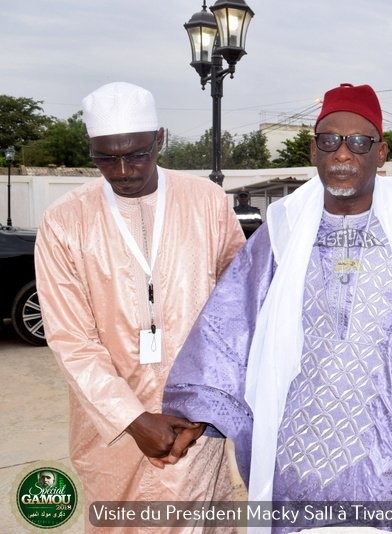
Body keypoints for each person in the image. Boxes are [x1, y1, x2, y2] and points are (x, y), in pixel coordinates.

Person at [163, 83, 392, 532]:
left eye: (359, 142)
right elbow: (230, 323)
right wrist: (196, 407)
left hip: (385, 450)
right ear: (313, 150)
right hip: (296, 453)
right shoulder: (282, 229)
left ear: (381, 152)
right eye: (330, 140)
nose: (343, 153)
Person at [34, 82, 245, 532]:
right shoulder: (66, 220)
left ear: (160, 139)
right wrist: (132, 419)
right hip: (110, 426)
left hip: (193, 418)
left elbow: (237, 306)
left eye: (137, 154)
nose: (124, 170)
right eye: (106, 158)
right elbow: (72, 340)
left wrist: (208, 406)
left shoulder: (205, 201)